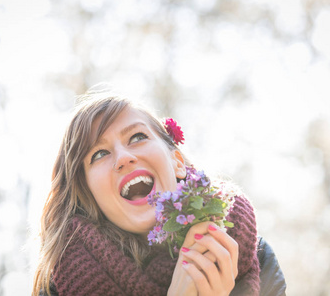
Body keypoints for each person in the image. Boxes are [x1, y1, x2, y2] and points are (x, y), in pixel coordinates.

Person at [32, 85, 286, 296]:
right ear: (89, 193)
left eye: (137, 137)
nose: (123, 157)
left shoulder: (258, 259)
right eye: (99, 154)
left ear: (176, 161)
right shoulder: (59, 285)